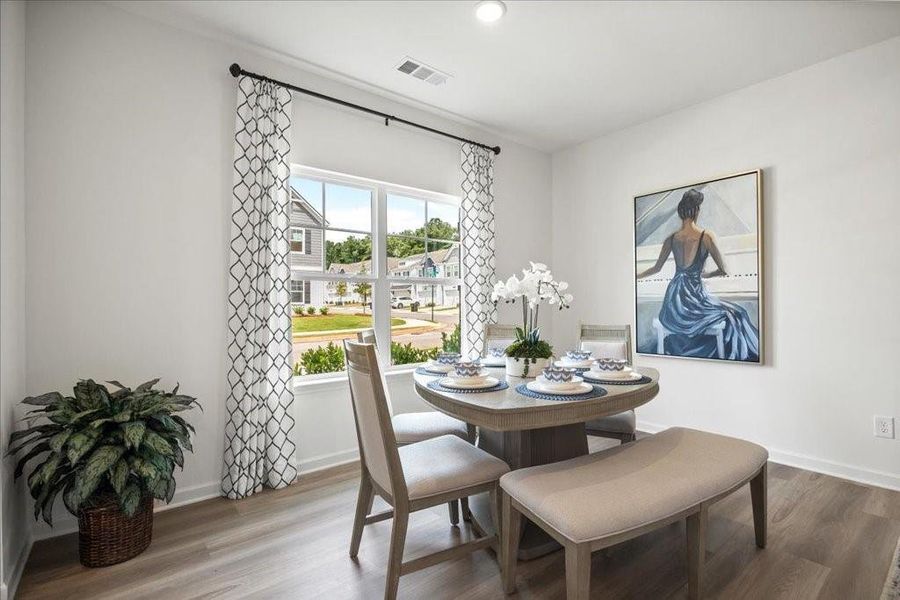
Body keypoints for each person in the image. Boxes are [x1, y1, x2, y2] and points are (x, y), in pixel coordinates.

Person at [637, 188, 759, 361]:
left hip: (674, 301)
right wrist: (705, 274)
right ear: (696, 211)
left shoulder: (671, 239)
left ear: (681, 212)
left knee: (731, 314)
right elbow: (723, 270)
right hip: (695, 297)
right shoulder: (706, 236)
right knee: (738, 313)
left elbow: (656, 269)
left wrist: (635, 276)